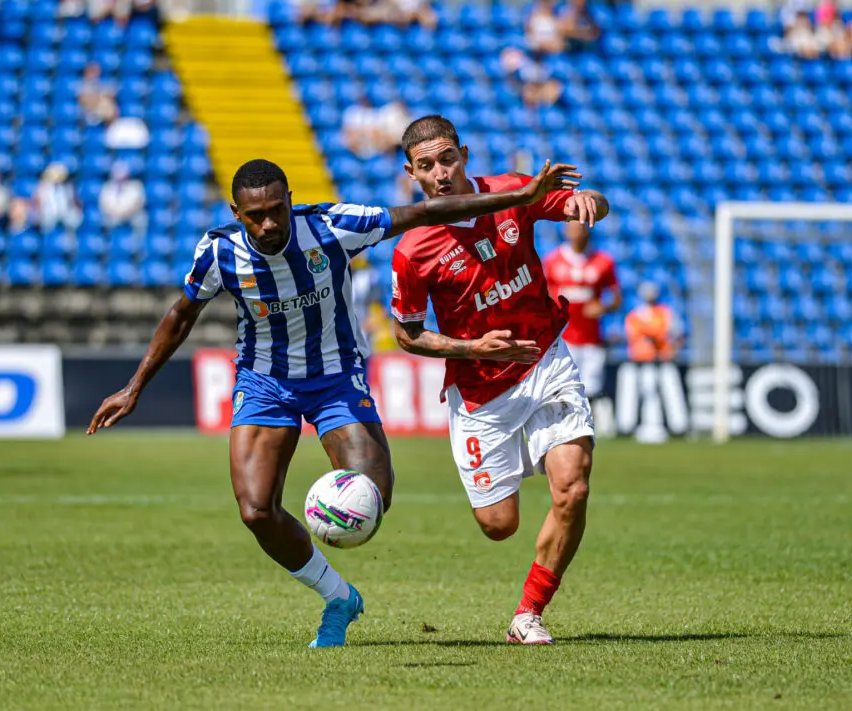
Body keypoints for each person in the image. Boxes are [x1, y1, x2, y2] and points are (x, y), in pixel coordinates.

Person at [86, 157, 578, 647]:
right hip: (264, 382)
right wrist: (134, 387)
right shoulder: (218, 253)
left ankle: (339, 538)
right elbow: (180, 315)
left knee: (373, 496)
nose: (270, 223)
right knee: (256, 510)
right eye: (256, 215)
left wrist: (522, 196)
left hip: (336, 378)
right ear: (237, 212)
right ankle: (338, 596)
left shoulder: (332, 226)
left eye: (278, 210)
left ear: (290, 201)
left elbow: (425, 214)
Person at [389, 115, 608, 644]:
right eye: (427, 166)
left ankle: (528, 614)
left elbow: (594, 202)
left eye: (448, 159)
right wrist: (470, 347)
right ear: (410, 172)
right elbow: (406, 335)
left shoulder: (512, 191)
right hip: (481, 388)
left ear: (463, 154)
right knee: (499, 526)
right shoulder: (413, 248)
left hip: (543, 358)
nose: (440, 173)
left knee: (573, 488)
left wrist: (590, 203)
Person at [543, 221, 621, 406]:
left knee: (591, 388)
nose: (575, 232)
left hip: (592, 337)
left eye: (579, 227)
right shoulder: (552, 260)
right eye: (571, 227)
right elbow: (542, 295)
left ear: (587, 230)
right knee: (562, 386)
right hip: (563, 335)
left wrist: (603, 307)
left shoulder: (603, 261)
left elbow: (617, 298)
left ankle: (589, 428)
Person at [625, 282, 682, 363]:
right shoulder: (633, 316)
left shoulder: (664, 312)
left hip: (663, 358)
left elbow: (674, 333)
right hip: (640, 360)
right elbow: (634, 336)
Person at [99, 162, 147, 237]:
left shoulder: (136, 186)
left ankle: (138, 243)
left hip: (131, 216)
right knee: (103, 221)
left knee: (141, 219)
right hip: (113, 216)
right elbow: (104, 204)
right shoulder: (107, 187)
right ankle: (106, 243)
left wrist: (122, 213)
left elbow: (136, 204)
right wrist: (116, 213)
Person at [34, 163, 83, 235]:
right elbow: (38, 205)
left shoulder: (69, 188)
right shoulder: (43, 188)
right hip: (48, 217)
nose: (56, 178)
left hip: (66, 217)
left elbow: (76, 204)